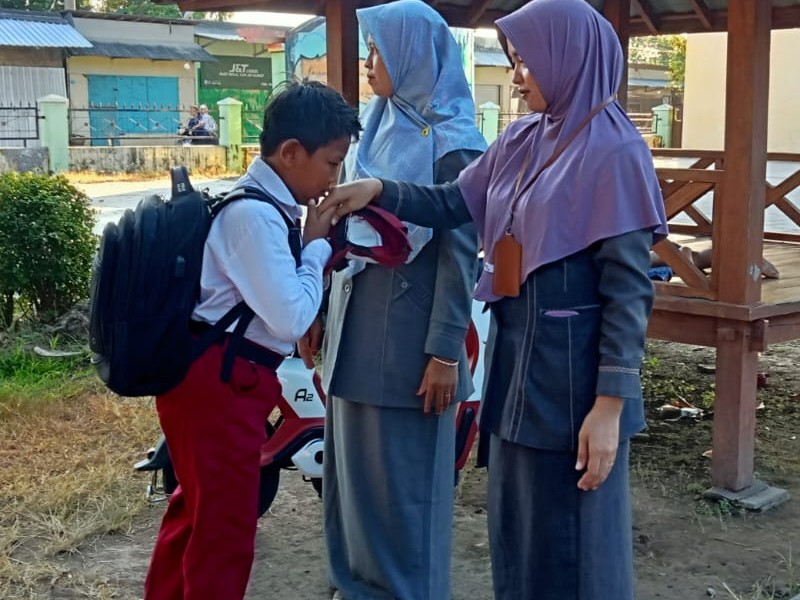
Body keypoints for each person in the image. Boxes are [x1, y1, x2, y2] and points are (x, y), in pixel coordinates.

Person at [320, 1, 669, 598]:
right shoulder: (524, 137)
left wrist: (610, 406)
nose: (515, 76)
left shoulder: (615, 152)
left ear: (568, 59)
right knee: (517, 534)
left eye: (526, 61)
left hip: (575, 386)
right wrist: (380, 189)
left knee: (573, 546)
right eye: (513, 60)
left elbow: (628, 291)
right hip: (518, 370)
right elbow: (453, 203)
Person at [143, 81, 361, 600]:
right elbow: (289, 317)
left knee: (196, 512)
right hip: (218, 387)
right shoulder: (255, 216)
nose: (335, 179)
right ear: (291, 152)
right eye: (332, 164)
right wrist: (315, 248)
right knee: (223, 532)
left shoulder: (263, 205)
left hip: (217, 379)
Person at [301, 2, 486, 599]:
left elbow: (460, 256)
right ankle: (355, 585)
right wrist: (317, 311)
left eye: (378, 50)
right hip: (355, 328)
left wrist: (444, 352)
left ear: (414, 57)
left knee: (403, 488)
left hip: (410, 345)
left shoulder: (455, 145)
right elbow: (341, 231)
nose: (368, 62)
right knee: (352, 478)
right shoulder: (375, 125)